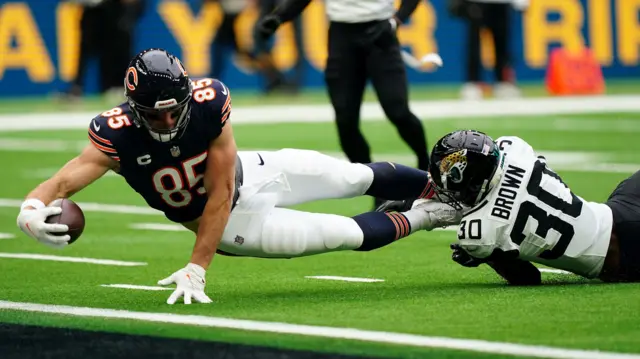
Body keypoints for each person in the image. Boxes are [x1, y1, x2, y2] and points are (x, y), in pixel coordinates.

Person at [16, 48, 465, 305]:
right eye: (158, 114)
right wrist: (31, 210)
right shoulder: (115, 134)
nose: (169, 121)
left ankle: (450, 185)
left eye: (176, 109)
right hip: (236, 227)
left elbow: (222, 187)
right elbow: (60, 184)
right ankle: (436, 214)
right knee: (345, 233)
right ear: (134, 109)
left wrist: (197, 267)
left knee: (352, 177)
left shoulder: (210, 101)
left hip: (250, 173)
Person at [379, 130, 639, 285]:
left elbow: (528, 278)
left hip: (619, 257)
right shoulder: (513, 150)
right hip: (617, 209)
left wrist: (489, 257)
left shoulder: (478, 233)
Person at [255, 0, 430, 209]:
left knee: (398, 111)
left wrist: (398, 19)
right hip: (342, 36)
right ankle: (379, 188)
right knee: (345, 122)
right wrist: (280, 17)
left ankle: (425, 166)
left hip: (380, 33)